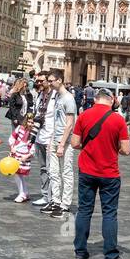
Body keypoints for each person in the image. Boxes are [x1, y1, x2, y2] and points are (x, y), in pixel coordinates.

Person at [70, 87, 130, 259]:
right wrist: (115, 148)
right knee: (110, 213)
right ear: (111, 100)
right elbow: (126, 150)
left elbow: (74, 143)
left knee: (84, 210)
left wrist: (88, 149)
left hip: (87, 170)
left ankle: (80, 251)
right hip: (109, 173)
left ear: (96, 99)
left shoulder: (84, 115)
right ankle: (111, 255)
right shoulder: (118, 119)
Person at [40, 70, 77, 218]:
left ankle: (65, 204)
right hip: (55, 139)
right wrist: (51, 140)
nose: (49, 83)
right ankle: (55, 200)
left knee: (66, 172)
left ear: (59, 80)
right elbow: (56, 121)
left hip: (65, 141)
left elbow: (69, 124)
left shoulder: (68, 99)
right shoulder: (56, 97)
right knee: (53, 172)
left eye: (51, 80)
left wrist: (62, 144)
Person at [7, 114, 36, 203]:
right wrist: (12, 147)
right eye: (29, 121)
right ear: (26, 121)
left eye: (32, 122)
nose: (30, 124)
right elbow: (12, 137)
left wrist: (27, 156)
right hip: (16, 152)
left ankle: (22, 193)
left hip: (24, 155)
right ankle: (24, 192)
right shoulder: (19, 128)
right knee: (17, 174)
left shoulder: (34, 134)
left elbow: (34, 147)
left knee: (18, 174)